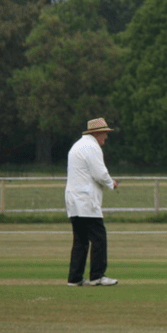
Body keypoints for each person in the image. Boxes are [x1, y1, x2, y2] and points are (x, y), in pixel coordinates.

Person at [65, 118, 120, 287]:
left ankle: (75, 278)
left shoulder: (78, 145)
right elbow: (99, 173)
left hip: (75, 200)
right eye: (104, 133)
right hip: (85, 200)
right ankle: (97, 276)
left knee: (80, 240)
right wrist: (111, 183)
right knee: (99, 238)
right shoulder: (91, 147)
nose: (106, 137)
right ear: (96, 133)